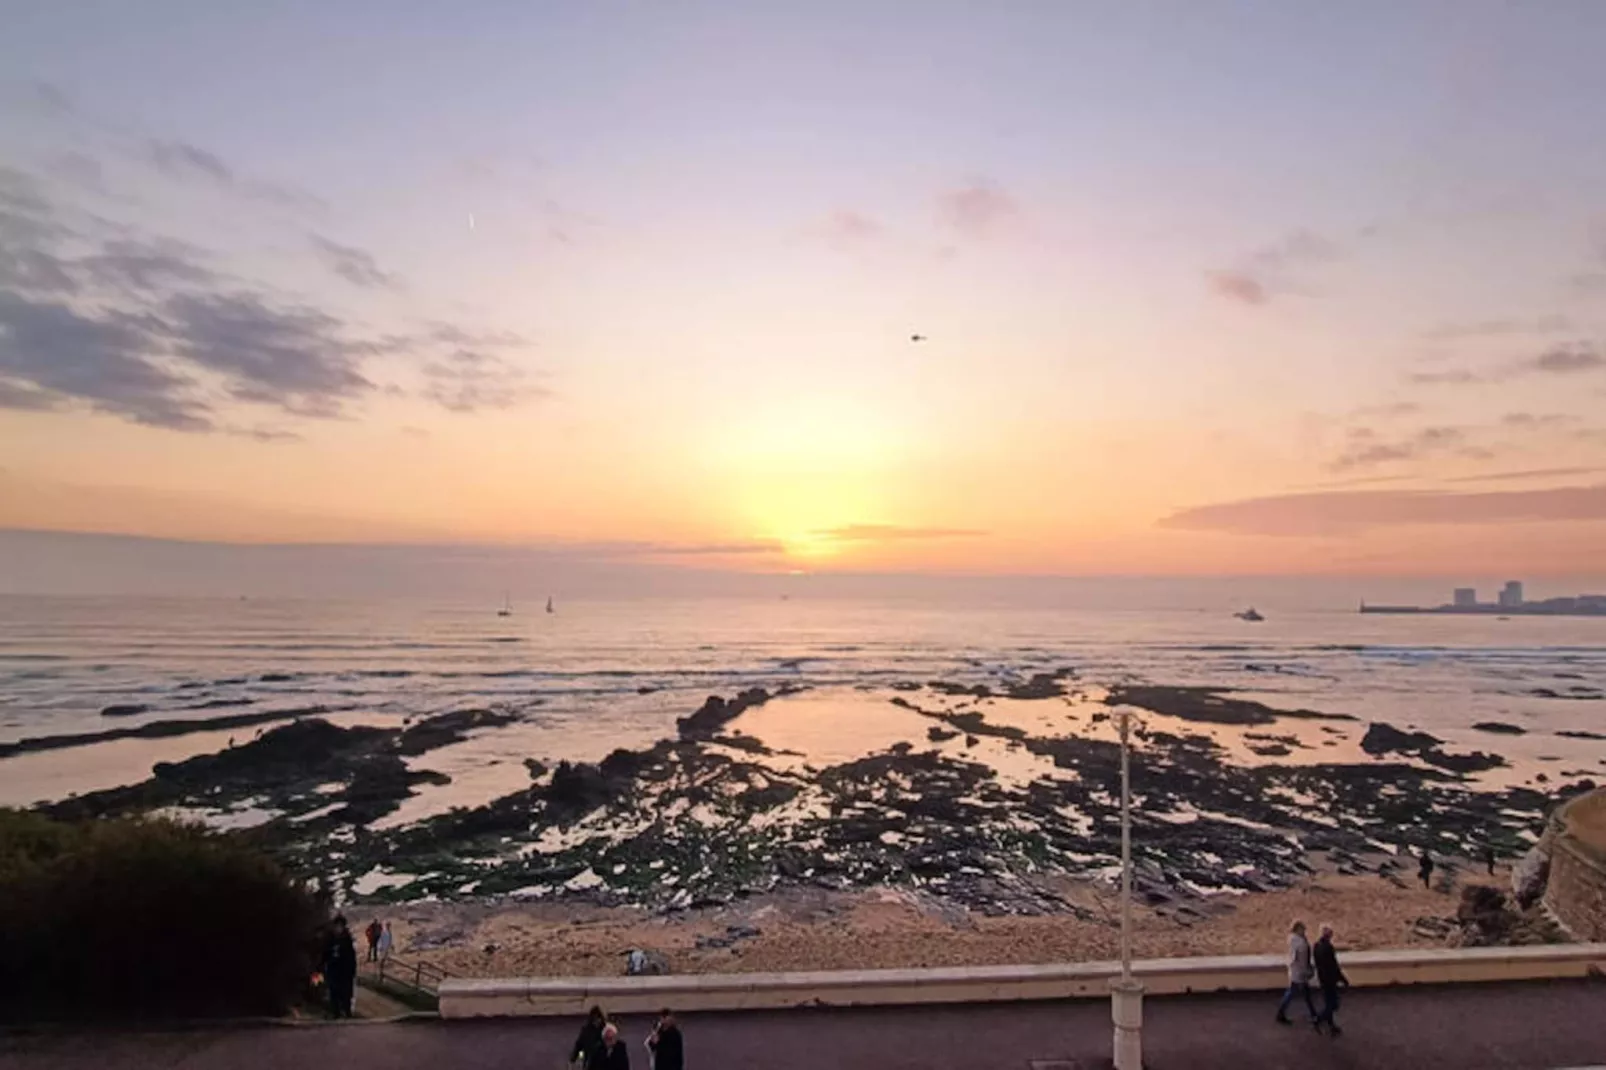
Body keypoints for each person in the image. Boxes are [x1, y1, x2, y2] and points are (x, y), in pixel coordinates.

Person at [1274, 919, 1318, 1025]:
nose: (1304, 931)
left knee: (1298, 993)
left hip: (1297, 972)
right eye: (1303, 929)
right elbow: (1300, 958)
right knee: (1299, 993)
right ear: (1298, 929)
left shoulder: (1295, 940)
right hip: (1299, 973)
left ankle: (1313, 1014)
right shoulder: (1299, 942)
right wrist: (1306, 971)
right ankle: (1313, 1014)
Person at [1312, 923, 1350, 1036]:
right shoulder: (1328, 947)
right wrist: (1342, 979)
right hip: (1330, 980)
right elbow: (1333, 966)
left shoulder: (1316, 946)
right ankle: (1318, 1019)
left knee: (1329, 1002)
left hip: (1323, 978)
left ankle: (1331, 1025)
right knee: (1333, 1004)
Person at [323, 915, 358, 1019]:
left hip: (345, 972)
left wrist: (352, 970)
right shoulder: (330, 939)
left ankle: (347, 1012)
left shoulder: (347, 939)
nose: (338, 928)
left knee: (346, 993)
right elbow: (325, 954)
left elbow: (351, 956)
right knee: (334, 992)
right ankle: (335, 1013)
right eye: (336, 926)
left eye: (340, 926)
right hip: (333, 970)